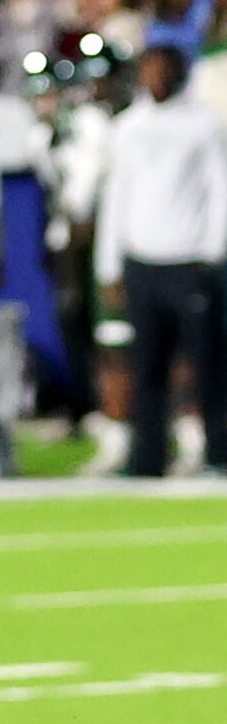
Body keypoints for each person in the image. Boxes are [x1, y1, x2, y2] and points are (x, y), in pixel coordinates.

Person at [94, 44, 227, 477]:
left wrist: (212, 252)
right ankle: (147, 459)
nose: (155, 78)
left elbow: (219, 189)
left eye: (162, 69)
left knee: (206, 365)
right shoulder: (129, 127)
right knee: (146, 366)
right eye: (148, 69)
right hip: (142, 262)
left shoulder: (203, 126)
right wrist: (110, 264)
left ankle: (216, 455)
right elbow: (116, 197)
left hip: (189, 261)